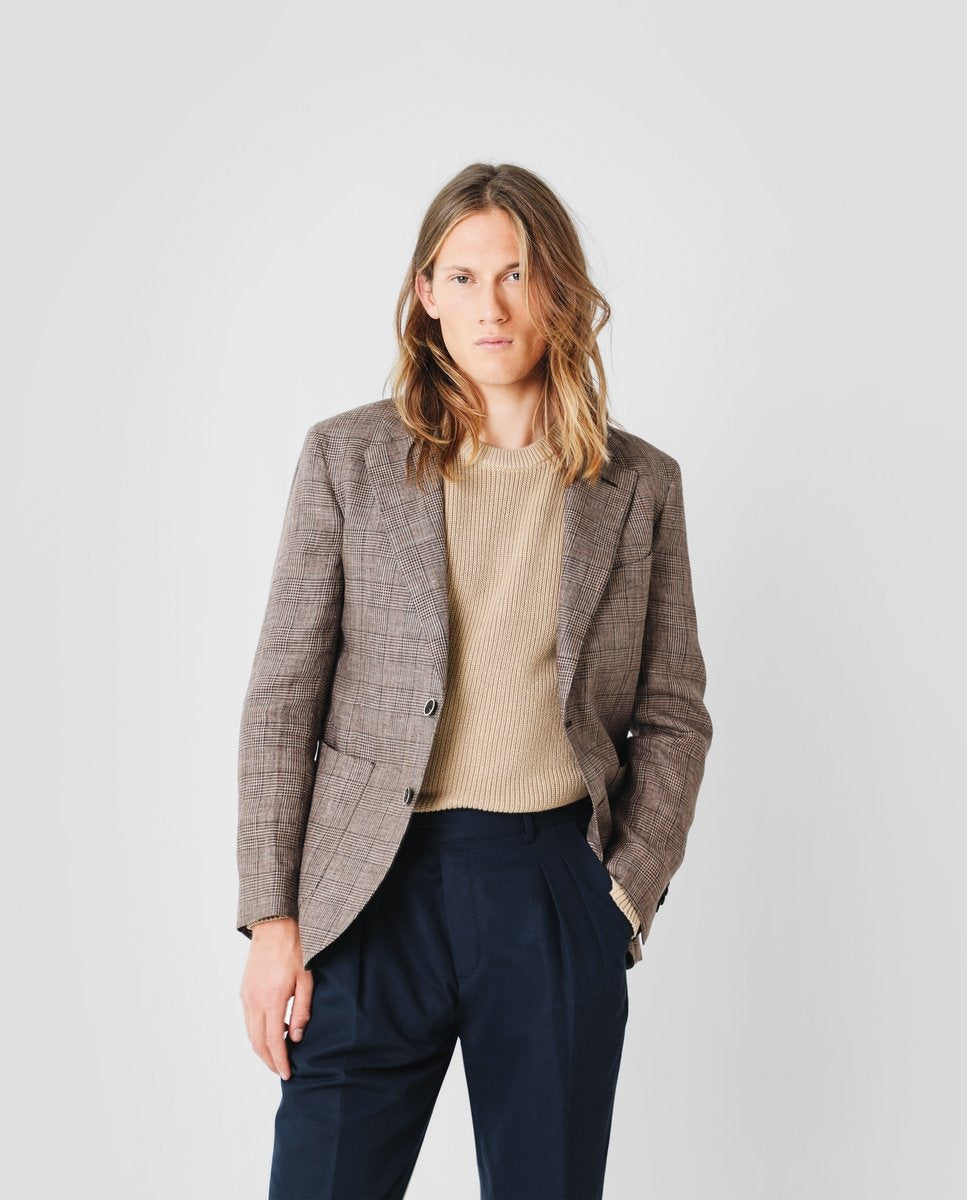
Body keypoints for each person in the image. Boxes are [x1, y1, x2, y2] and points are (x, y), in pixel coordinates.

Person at [236, 161, 713, 1200]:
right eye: (462, 277)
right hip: (369, 893)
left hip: (550, 887)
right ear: (425, 294)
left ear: (558, 291)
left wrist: (621, 897)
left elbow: (673, 712)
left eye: (516, 275)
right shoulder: (348, 460)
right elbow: (281, 703)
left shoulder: (639, 484)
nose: (490, 307)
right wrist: (273, 921)